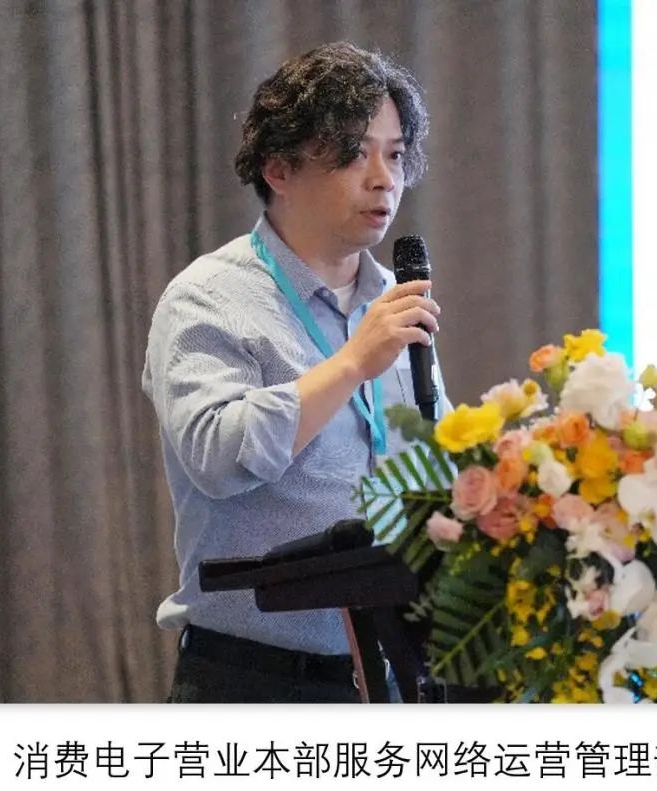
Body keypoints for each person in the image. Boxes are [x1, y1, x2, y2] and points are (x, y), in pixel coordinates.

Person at [142, 42, 447, 703]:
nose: (384, 179)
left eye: (395, 155)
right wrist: (351, 363)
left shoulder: (394, 299)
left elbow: (434, 462)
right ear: (278, 168)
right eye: (354, 153)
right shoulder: (208, 299)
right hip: (254, 682)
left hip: (394, 678)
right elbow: (219, 456)